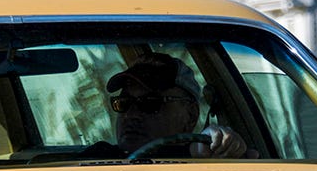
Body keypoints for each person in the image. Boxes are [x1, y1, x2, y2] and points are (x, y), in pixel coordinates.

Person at [104, 52, 248, 157]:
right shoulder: (95, 159)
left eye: (150, 103)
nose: (131, 114)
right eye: (123, 103)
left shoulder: (203, 166)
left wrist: (217, 144)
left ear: (191, 115)